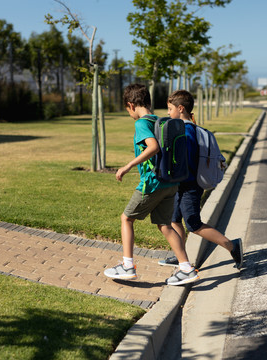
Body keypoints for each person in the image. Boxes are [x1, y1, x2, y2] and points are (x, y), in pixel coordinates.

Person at [103, 84, 199, 286]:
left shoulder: (141, 124)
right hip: (170, 183)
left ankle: (127, 266)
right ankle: (186, 268)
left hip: (152, 184)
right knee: (164, 225)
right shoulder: (161, 120)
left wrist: (128, 165)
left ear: (131, 105)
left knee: (126, 218)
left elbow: (153, 147)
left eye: (127, 110)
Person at [158, 90, 243, 270]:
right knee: (174, 219)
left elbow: (186, 162)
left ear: (180, 108)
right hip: (181, 185)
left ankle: (232, 246)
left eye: (170, 109)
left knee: (193, 223)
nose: (168, 113)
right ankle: (182, 258)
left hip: (189, 185)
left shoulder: (186, 131)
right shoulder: (186, 128)